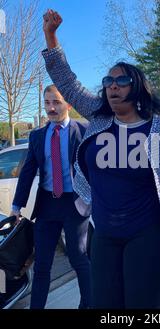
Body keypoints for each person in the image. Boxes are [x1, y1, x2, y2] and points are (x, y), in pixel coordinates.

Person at [42, 9, 160, 309]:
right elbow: (67, 83)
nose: (112, 86)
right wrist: (51, 37)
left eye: (120, 81)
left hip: (150, 236)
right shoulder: (99, 118)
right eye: (108, 81)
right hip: (104, 234)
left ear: (137, 86)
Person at [10, 85, 91, 309]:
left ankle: (88, 305)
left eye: (56, 102)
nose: (51, 108)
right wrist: (17, 206)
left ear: (68, 104)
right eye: (47, 103)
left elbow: (96, 168)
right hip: (47, 205)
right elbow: (27, 173)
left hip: (75, 204)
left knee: (78, 258)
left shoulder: (84, 130)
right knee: (42, 265)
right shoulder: (37, 136)